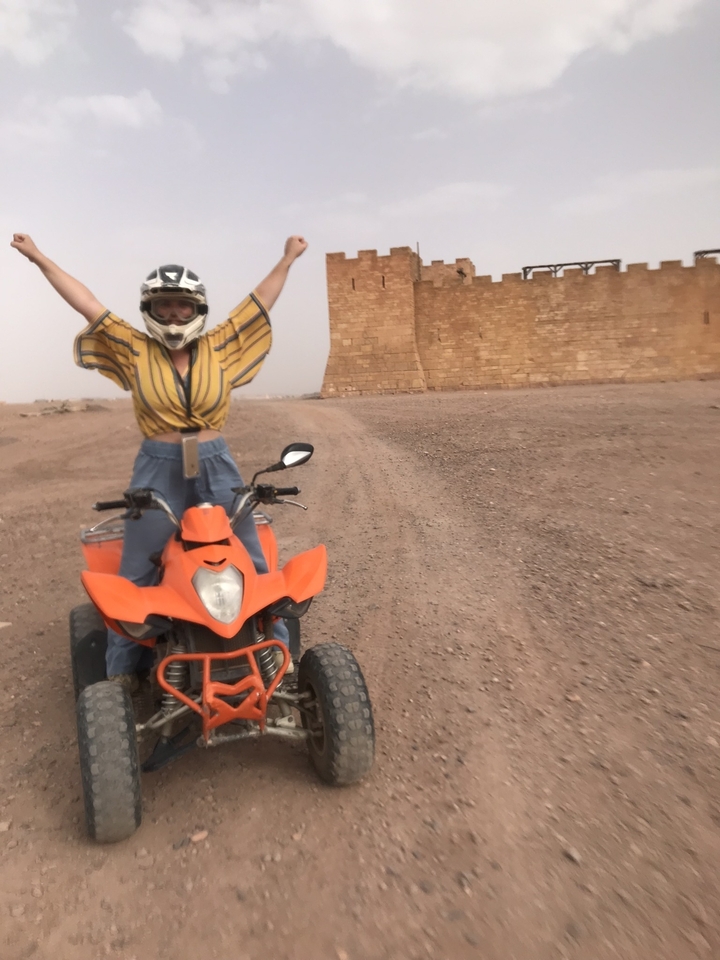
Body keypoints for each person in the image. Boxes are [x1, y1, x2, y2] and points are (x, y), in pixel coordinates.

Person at [11, 231, 308, 692]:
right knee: (137, 571)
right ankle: (121, 673)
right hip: (157, 464)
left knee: (253, 560)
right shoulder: (133, 348)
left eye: (182, 307)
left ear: (196, 309)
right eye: (163, 306)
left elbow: (260, 301)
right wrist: (37, 257)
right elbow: (86, 303)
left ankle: (278, 657)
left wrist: (287, 258)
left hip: (217, 461)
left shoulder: (221, 345)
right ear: (150, 309)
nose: (173, 316)